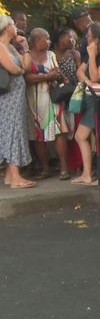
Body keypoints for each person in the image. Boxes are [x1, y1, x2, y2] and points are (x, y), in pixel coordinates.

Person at [71, 22, 100, 186]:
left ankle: (97, 175)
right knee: (99, 136)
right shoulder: (92, 50)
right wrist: (89, 82)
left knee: (90, 136)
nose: (86, 39)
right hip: (92, 98)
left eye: (89, 36)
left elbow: (97, 76)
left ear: (97, 39)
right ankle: (94, 174)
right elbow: (80, 72)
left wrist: (91, 56)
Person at [25, 28, 73, 180]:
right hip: (34, 101)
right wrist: (47, 76)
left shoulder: (51, 54)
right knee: (38, 136)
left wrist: (58, 76)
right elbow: (26, 78)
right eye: (45, 38)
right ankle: (46, 169)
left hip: (52, 99)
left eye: (48, 39)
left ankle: (64, 168)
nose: (49, 41)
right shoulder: (26, 57)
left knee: (60, 132)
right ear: (34, 41)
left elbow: (56, 72)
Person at [0, 15, 35, 189]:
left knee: (16, 129)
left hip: (17, 95)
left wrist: (25, 48)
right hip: (8, 97)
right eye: (13, 24)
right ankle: (15, 177)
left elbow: (26, 66)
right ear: (7, 27)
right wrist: (21, 69)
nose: (16, 27)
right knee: (12, 130)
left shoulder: (12, 48)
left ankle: (9, 174)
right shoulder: (0, 46)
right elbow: (14, 69)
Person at [52, 27, 83, 173]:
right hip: (58, 98)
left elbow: (80, 74)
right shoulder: (51, 55)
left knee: (76, 130)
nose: (72, 40)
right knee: (63, 132)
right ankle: (67, 164)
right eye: (68, 37)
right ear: (59, 38)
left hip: (74, 96)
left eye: (74, 38)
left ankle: (79, 164)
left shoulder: (74, 54)